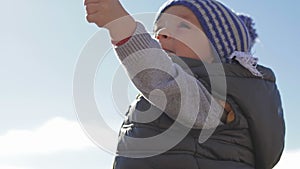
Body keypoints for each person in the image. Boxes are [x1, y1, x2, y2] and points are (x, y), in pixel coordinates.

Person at [84, 0, 285, 169]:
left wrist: (120, 25)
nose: (161, 33)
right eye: (158, 29)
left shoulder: (221, 98)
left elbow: (163, 80)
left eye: (183, 25)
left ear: (219, 51)